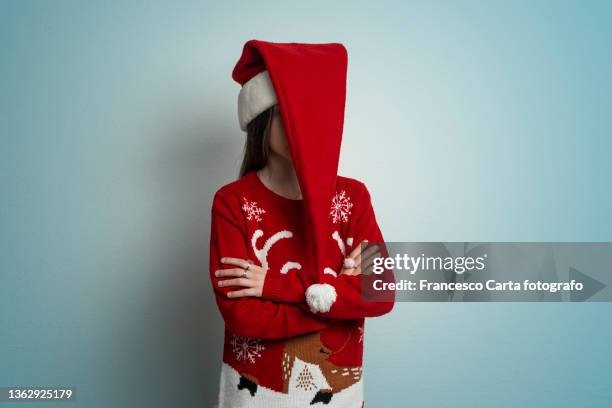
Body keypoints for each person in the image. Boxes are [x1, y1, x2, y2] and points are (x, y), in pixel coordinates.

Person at [209, 39, 395, 408]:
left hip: (336, 396)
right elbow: (244, 316)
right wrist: (338, 301)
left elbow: (382, 292)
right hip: (255, 395)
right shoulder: (233, 203)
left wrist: (277, 285)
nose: (305, 126)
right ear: (263, 120)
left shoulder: (353, 199)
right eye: (290, 113)